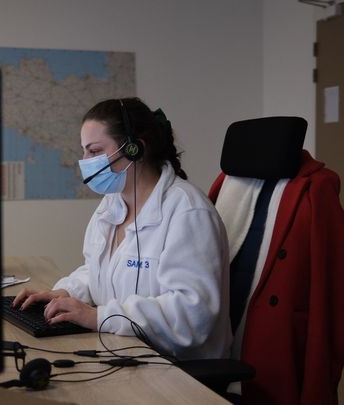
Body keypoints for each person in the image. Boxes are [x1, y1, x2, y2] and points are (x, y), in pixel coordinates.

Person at [13, 97, 231, 360]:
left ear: (134, 149)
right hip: (124, 350)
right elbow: (98, 270)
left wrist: (100, 316)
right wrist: (66, 293)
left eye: (94, 151)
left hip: (177, 369)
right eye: (84, 151)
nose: (85, 161)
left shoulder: (187, 212)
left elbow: (191, 314)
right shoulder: (111, 205)